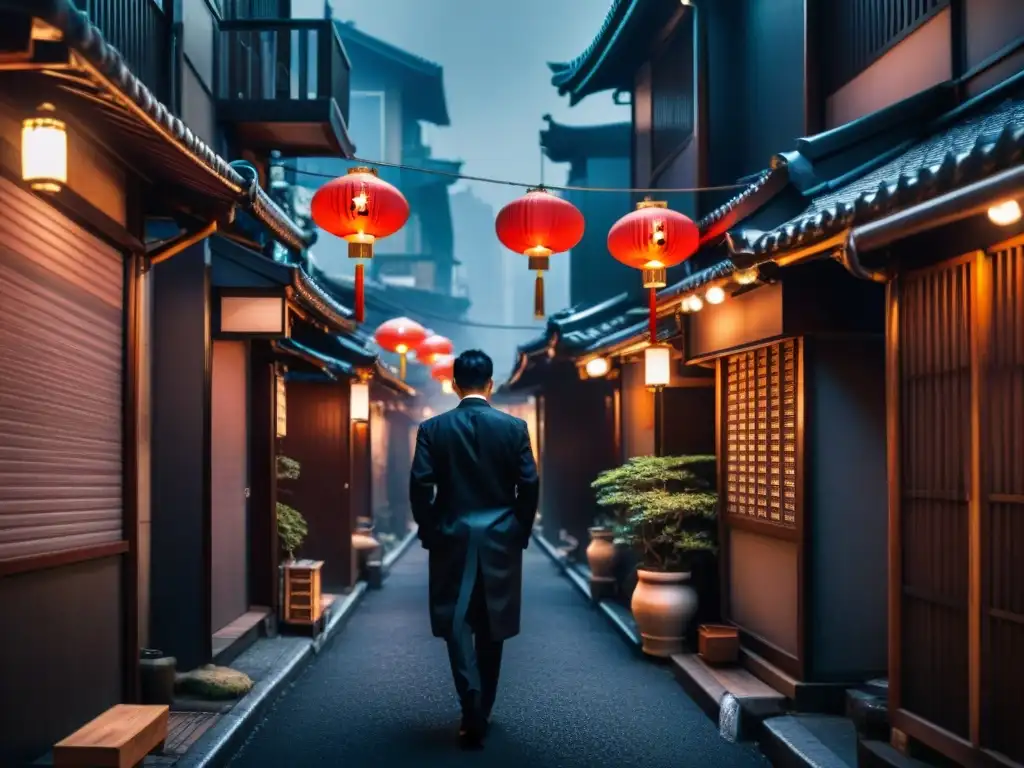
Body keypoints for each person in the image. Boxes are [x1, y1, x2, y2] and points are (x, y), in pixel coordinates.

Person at [408, 349, 540, 748]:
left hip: (452, 534)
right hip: (500, 536)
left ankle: (470, 704)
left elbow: (420, 485)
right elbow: (529, 485)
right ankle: (483, 710)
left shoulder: (433, 429)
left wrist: (431, 529)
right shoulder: (514, 428)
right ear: (491, 385)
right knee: (493, 623)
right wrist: (518, 528)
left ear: (453, 384)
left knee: (455, 623)